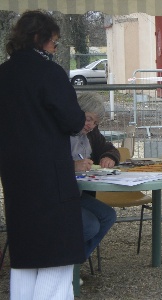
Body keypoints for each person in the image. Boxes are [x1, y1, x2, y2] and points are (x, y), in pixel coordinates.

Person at [0, 10, 86, 299]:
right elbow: (73, 121)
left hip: (14, 175)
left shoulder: (3, 73)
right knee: (56, 259)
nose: (55, 48)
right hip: (50, 177)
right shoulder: (49, 72)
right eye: (53, 43)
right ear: (39, 39)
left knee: (24, 259)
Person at [72, 92, 118, 261]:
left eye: (95, 122)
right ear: (76, 112)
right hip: (56, 195)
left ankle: (73, 263)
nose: (90, 125)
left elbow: (108, 148)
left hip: (77, 193)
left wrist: (110, 157)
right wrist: (72, 166)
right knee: (90, 225)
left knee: (108, 215)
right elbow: (46, 163)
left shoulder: (91, 133)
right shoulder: (59, 131)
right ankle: (63, 265)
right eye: (88, 118)